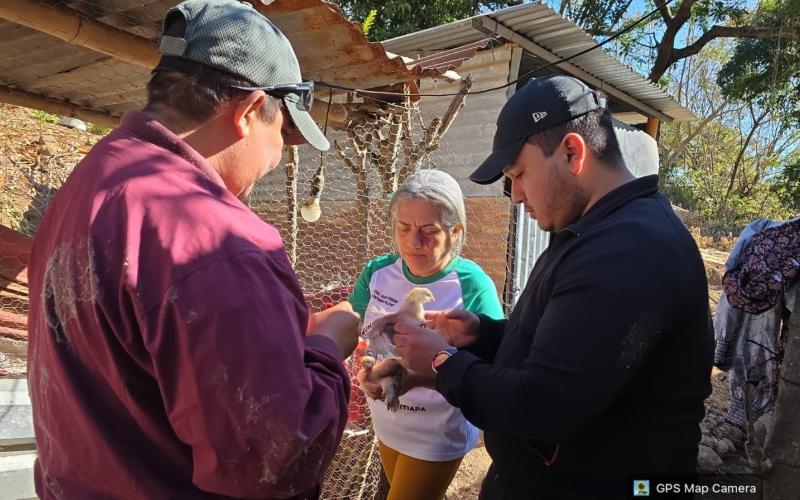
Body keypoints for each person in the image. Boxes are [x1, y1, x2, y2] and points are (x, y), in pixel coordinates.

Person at [26, 1, 360, 498]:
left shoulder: (92, 179)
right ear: (249, 111)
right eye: (283, 135)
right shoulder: (216, 239)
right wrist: (328, 346)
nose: (274, 159)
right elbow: (274, 458)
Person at [392, 75, 714, 499]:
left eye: (519, 174)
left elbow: (542, 407)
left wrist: (438, 361)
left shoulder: (628, 250)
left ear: (571, 152)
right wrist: (484, 336)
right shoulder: (597, 230)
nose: (516, 196)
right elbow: (575, 351)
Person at [349, 169, 504, 500]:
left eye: (429, 231)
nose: (412, 242)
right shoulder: (378, 272)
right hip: (387, 418)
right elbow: (355, 327)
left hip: (437, 429)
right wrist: (363, 366)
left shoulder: (472, 284)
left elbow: (496, 366)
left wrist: (423, 372)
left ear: (455, 231)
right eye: (403, 228)